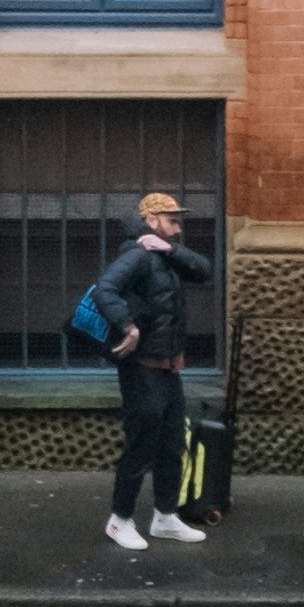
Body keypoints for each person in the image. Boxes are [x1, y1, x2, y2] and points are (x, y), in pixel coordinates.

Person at [93, 186, 212, 556]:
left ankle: (165, 516)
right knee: (141, 445)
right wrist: (127, 326)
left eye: (179, 223)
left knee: (171, 444)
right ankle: (120, 520)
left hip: (167, 367)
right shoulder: (137, 255)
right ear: (151, 221)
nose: (178, 229)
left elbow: (204, 270)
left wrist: (170, 249)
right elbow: (105, 290)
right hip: (141, 368)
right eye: (172, 222)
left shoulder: (164, 255)